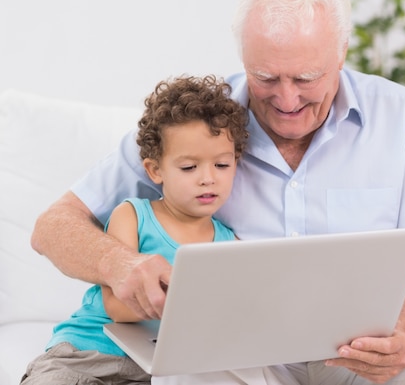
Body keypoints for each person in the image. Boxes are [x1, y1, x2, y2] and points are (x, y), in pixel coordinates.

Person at [30, 0, 405, 384]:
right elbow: (54, 225)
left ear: (341, 53)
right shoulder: (202, 122)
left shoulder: (400, 115)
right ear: (244, 59)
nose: (287, 100)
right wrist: (118, 264)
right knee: (185, 362)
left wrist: (396, 334)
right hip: (247, 362)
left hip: (358, 357)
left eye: (307, 78)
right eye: (266, 77)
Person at [20, 75, 250, 384]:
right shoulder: (133, 215)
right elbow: (118, 307)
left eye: (221, 165)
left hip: (156, 369)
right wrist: (192, 304)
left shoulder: (229, 243)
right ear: (155, 170)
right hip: (89, 355)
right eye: (188, 167)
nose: (207, 178)